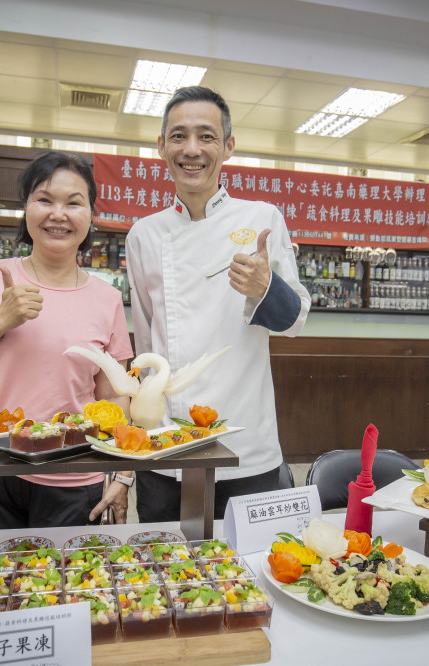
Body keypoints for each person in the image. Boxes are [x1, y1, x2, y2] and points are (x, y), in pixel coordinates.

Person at [126, 86, 311, 522]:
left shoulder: (262, 218)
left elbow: (296, 320)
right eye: (179, 136)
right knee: (163, 571)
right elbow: (145, 342)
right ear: (161, 147)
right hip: (164, 444)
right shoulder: (144, 235)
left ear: (228, 146)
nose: (192, 149)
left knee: (248, 576)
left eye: (206, 136)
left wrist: (266, 288)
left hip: (245, 440)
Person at [0, 151, 135, 528]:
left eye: (74, 203)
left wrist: (122, 474)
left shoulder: (107, 298)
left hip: (74, 476)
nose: (58, 214)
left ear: (90, 216)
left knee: (68, 584)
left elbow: (114, 399)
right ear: (26, 209)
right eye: (44, 200)